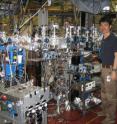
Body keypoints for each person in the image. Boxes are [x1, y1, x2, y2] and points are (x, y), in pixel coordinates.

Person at [98, 16, 117, 124]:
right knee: (104, 92)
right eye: (101, 25)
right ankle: (105, 111)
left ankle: (110, 118)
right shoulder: (103, 37)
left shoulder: (113, 38)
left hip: (110, 70)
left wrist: (114, 71)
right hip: (103, 68)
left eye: (106, 25)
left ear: (110, 26)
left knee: (111, 95)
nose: (103, 27)